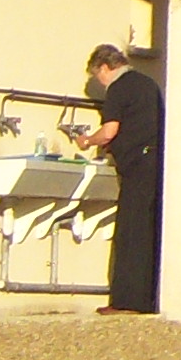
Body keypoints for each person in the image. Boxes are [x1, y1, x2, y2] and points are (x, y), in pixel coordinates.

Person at [75, 43, 164, 315]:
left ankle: (126, 300)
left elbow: (110, 131)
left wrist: (87, 140)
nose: (100, 83)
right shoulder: (149, 84)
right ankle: (150, 298)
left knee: (130, 233)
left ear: (104, 67)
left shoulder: (118, 88)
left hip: (137, 165)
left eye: (97, 76)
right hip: (157, 162)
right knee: (150, 231)